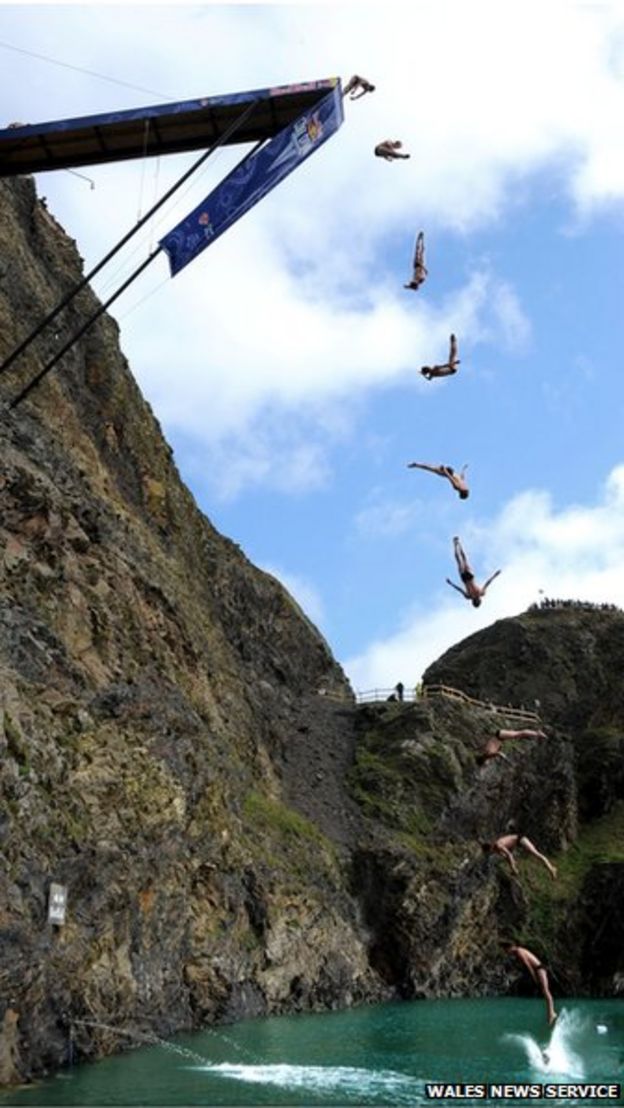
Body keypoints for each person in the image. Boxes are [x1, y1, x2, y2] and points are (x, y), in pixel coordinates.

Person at [505, 943, 558, 1026]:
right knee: (544, 991)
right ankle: (551, 1013)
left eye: (507, 950)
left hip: (539, 968)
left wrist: (533, 976)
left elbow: (528, 965)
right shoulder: (519, 951)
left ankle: (551, 1013)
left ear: (511, 947)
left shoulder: (519, 951)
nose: (507, 952)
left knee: (545, 991)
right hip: (539, 969)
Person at [446, 536, 500, 607]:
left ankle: (456, 544)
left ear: (476, 601)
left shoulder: (469, 596)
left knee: (460, 561)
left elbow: (459, 589)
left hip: (466, 578)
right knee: (463, 560)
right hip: (468, 577)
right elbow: (487, 583)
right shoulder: (480, 593)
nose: (478, 599)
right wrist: (495, 575)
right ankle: (458, 543)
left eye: (478, 600)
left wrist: (451, 583)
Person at [482, 833, 557, 880]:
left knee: (535, 853)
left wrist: (513, 868)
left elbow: (509, 855)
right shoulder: (496, 850)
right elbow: (506, 857)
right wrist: (512, 864)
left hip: (520, 839)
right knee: (509, 859)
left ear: (490, 848)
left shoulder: (498, 845)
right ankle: (515, 870)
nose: (491, 853)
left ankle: (551, 869)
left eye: (489, 852)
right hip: (515, 844)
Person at [477, 727, 547, 766]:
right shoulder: (486, 753)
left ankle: (537, 733)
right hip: (499, 736)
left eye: (485, 764)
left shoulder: (488, 755)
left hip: (500, 736)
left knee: (519, 733)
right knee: (519, 734)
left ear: (484, 761)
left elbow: (498, 753)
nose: (487, 764)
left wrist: (504, 757)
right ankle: (536, 733)